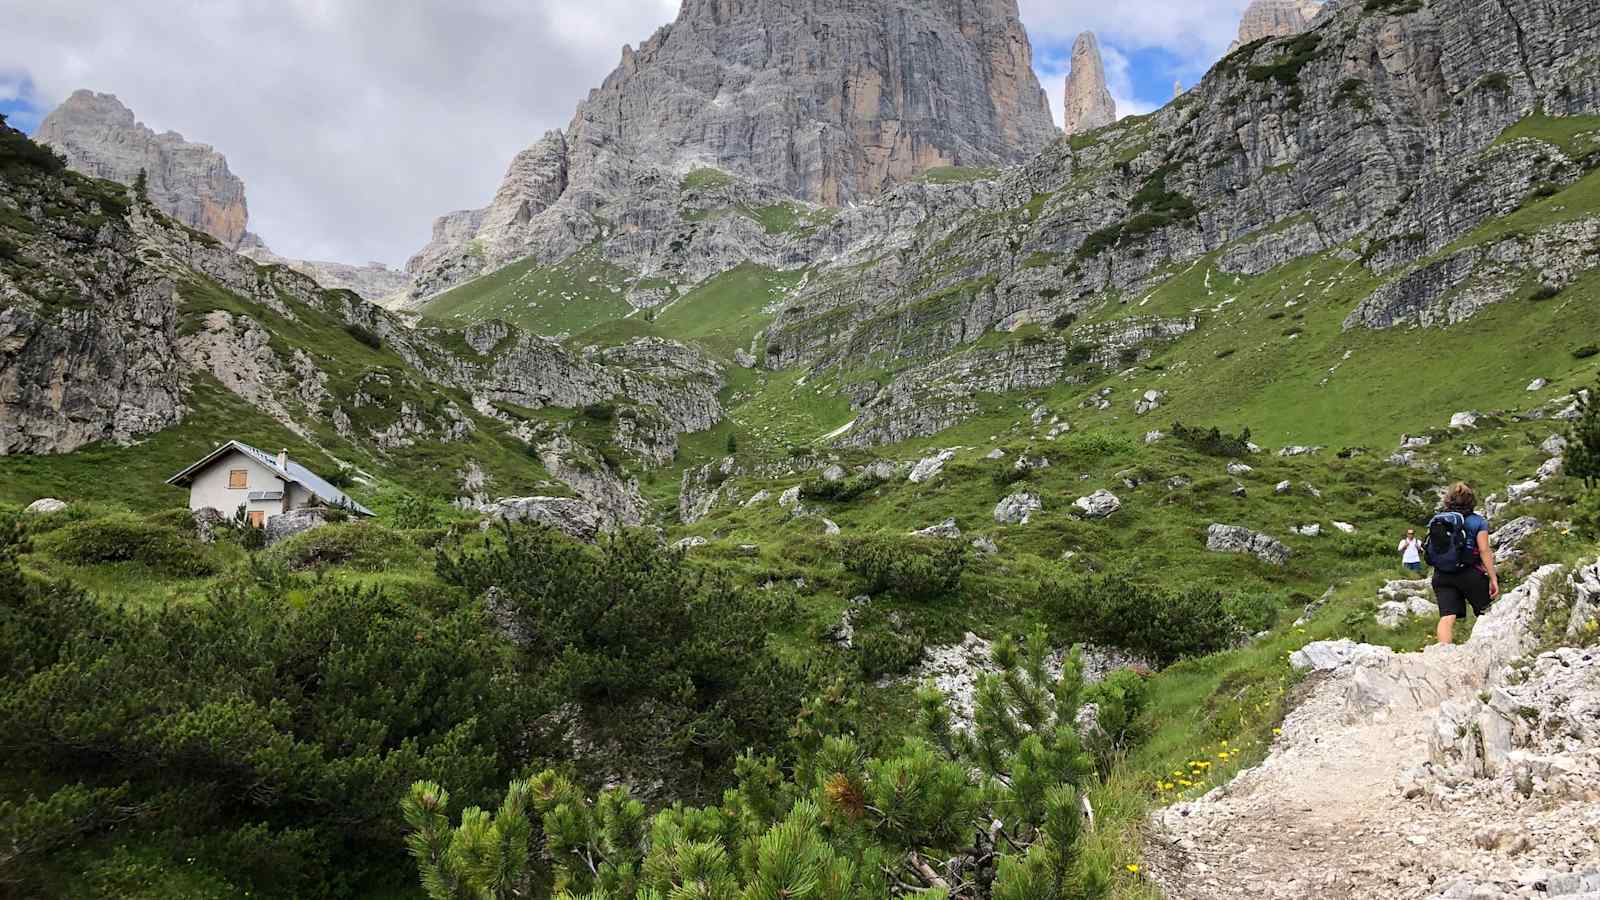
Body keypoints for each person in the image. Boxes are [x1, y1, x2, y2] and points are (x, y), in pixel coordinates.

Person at [1428, 483, 1499, 646]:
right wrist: (1493, 577)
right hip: (1469, 573)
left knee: (1447, 617)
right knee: (1486, 613)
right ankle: (1486, 649)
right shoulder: (1478, 522)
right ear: (1471, 501)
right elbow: (1484, 550)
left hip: (1442, 574)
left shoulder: (1437, 519)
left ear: (1448, 500)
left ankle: (1444, 653)